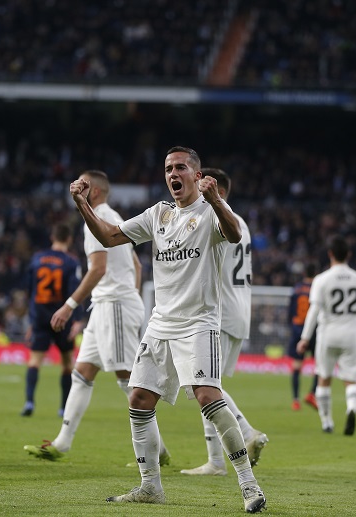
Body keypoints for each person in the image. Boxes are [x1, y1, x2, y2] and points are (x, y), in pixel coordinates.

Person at [69, 147, 266, 513]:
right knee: (139, 398)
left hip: (199, 322)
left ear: (195, 174)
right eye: (167, 169)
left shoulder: (210, 211)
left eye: (179, 168)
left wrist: (217, 200)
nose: (172, 174)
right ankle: (150, 487)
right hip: (161, 323)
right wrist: (83, 204)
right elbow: (110, 237)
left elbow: (234, 234)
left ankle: (249, 485)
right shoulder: (158, 214)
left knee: (208, 395)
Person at [24, 170, 169, 465]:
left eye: (83, 184)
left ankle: (158, 451)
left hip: (113, 304)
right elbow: (136, 267)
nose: (76, 186)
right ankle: (62, 443)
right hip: (108, 304)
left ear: (97, 191)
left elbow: (99, 268)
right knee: (82, 372)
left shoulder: (96, 220)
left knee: (127, 379)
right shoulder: (111, 216)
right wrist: (131, 296)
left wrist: (68, 305)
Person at [180, 168, 268, 477]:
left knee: (203, 384)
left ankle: (245, 431)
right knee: (205, 385)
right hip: (238, 310)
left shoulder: (214, 216)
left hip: (218, 312)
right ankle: (216, 462)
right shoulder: (237, 220)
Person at [297, 235, 356, 436]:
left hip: (328, 334)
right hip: (352, 336)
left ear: (330, 254)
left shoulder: (321, 279)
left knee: (324, 378)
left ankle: (327, 422)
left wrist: (304, 338)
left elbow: (314, 311)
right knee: (351, 381)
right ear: (349, 255)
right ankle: (351, 408)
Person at [20, 222, 84, 417]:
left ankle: (29, 402)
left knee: (34, 361)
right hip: (62, 317)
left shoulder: (37, 259)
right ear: (69, 239)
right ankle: (63, 407)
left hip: (39, 316)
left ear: (52, 237)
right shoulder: (71, 262)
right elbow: (76, 291)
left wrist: (31, 320)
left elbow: (30, 291)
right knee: (66, 363)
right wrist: (78, 319)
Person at [287, 263, 319, 411]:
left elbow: (290, 311)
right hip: (314, 330)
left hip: (297, 330)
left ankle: (295, 400)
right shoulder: (318, 288)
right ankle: (312, 393)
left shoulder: (297, 288)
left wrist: (291, 327)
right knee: (320, 365)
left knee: (297, 366)